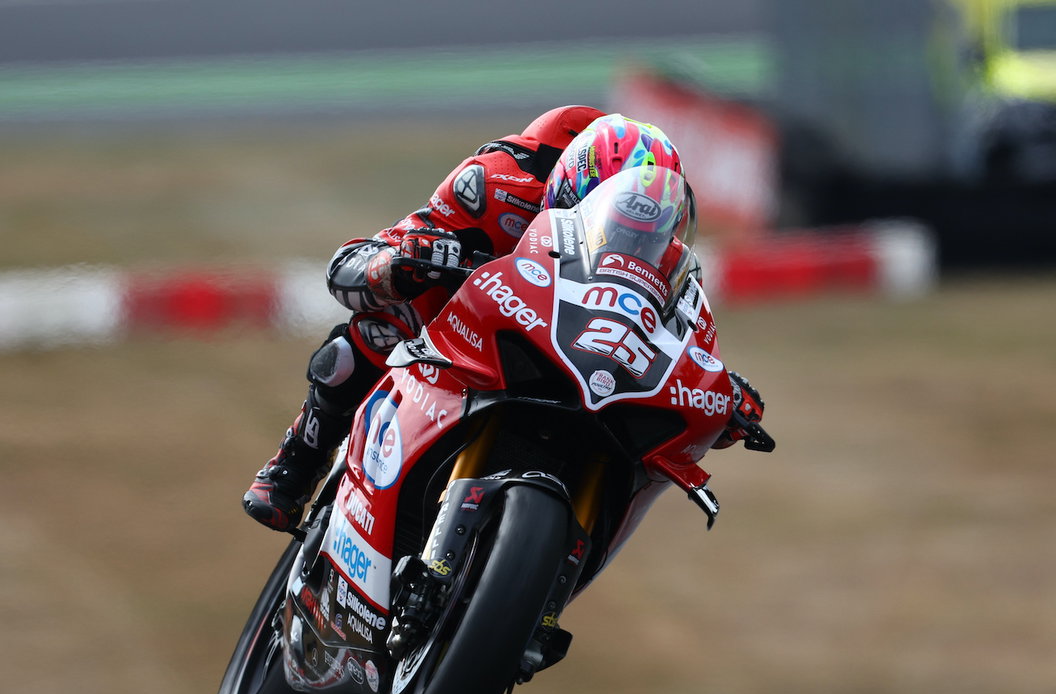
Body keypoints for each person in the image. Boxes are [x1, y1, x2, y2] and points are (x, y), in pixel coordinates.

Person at [244, 109, 749, 531]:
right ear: (572, 184)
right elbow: (349, 268)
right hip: (466, 335)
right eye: (612, 215)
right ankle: (295, 464)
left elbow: (689, 334)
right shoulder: (496, 186)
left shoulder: (673, 261)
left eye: (644, 231)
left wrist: (719, 390)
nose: (628, 239)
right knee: (372, 333)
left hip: (584, 359)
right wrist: (396, 264)